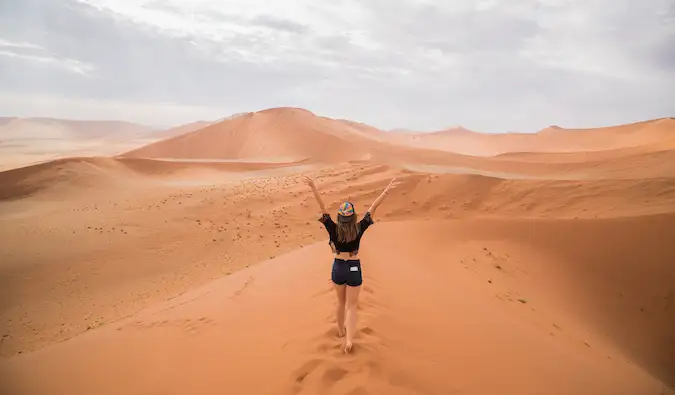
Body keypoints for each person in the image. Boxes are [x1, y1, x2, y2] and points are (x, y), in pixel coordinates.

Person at [302, 175, 399, 353]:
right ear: (353, 217)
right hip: (354, 268)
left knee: (340, 302)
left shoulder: (332, 227)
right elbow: (373, 207)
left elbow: (322, 207)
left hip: (338, 267)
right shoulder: (359, 227)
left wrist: (313, 187)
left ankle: (340, 330)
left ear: (339, 217)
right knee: (352, 306)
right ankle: (349, 340)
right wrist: (386, 190)